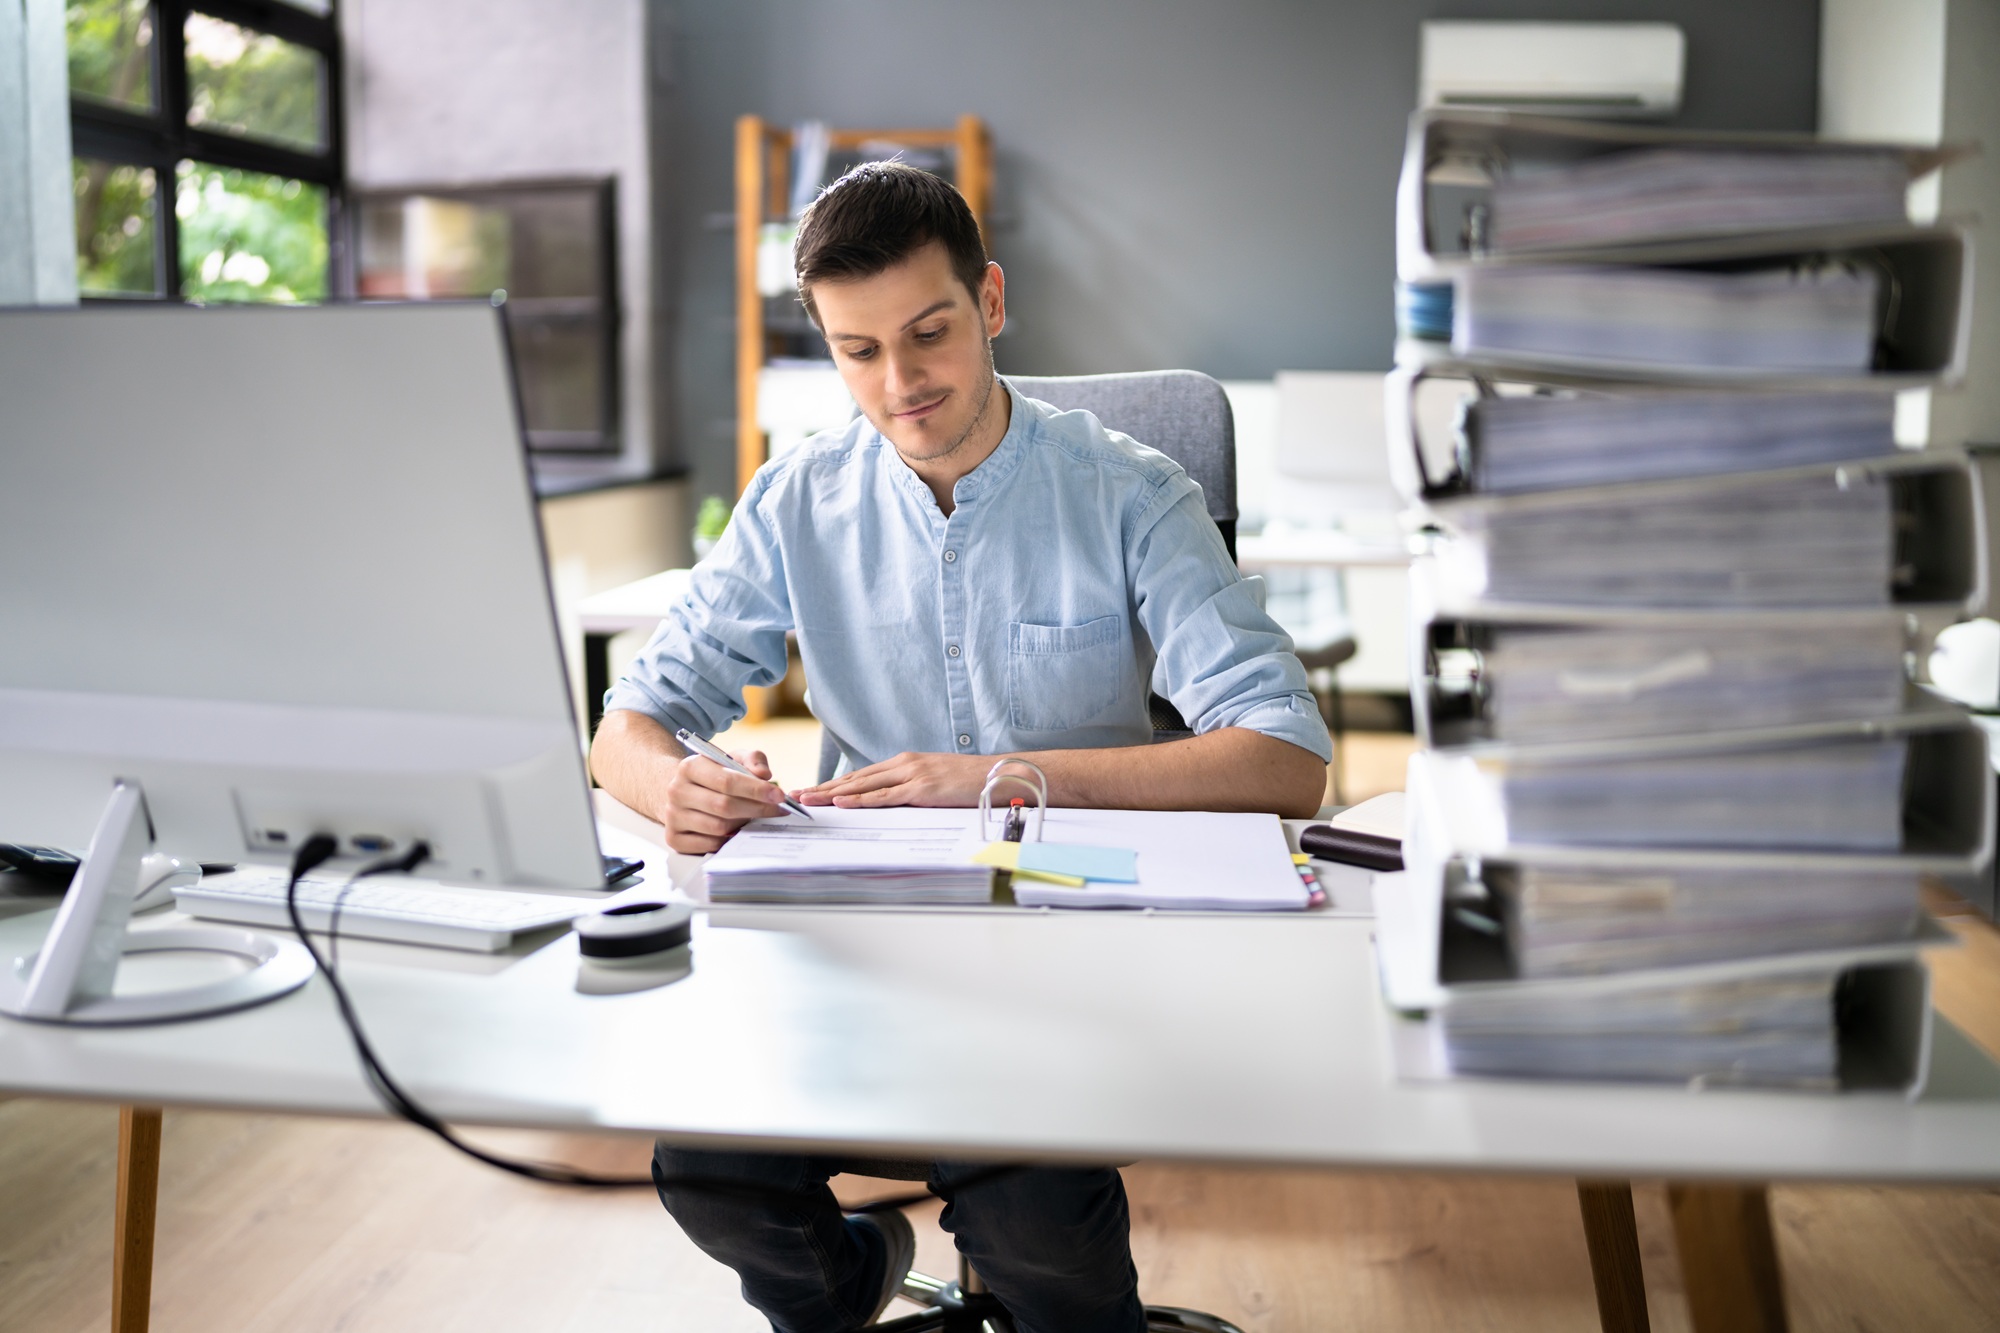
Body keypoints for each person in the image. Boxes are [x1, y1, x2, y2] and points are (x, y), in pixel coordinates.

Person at [590, 161, 1330, 1333]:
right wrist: (676, 781)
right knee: (709, 1166)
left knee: (1037, 1231)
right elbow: (625, 723)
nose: (899, 384)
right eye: (857, 350)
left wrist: (999, 780)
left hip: (1063, 951)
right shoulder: (798, 499)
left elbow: (1284, 758)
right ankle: (848, 1284)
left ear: (988, 301)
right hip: (855, 946)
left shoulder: (1130, 491)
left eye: (927, 333)